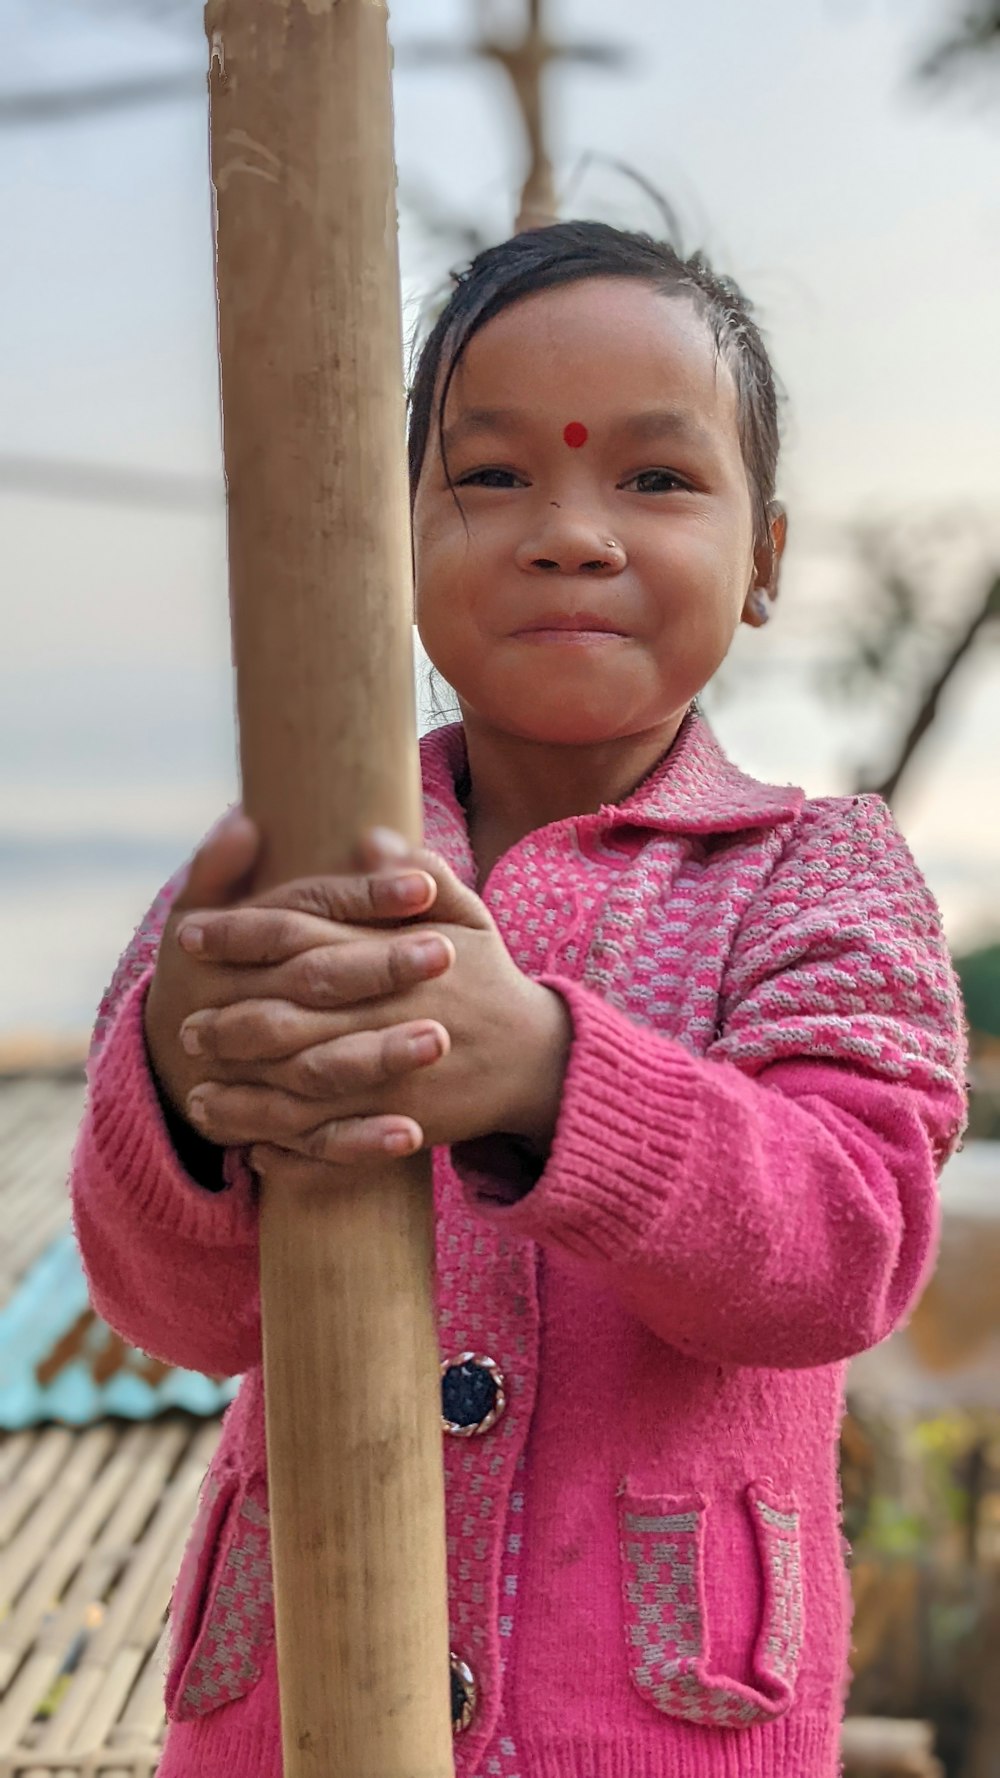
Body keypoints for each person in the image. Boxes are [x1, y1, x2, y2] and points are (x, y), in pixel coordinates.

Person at [71, 221, 967, 1778]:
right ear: (392, 537)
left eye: (656, 478)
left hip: (674, 1735)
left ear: (764, 559)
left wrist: (549, 1075)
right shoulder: (288, 877)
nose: (570, 532)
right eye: (490, 476)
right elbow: (172, 1307)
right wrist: (178, 1072)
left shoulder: (821, 878)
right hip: (289, 1727)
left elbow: (842, 1251)